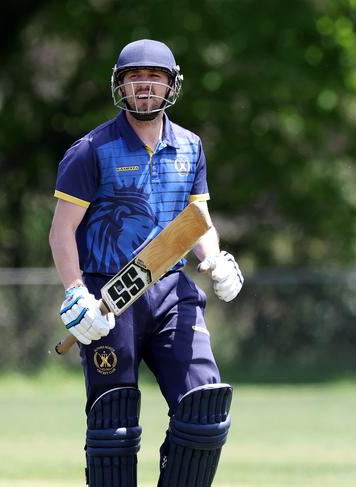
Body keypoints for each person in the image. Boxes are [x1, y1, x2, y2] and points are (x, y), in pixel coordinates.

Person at [49, 39, 243, 487]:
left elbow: (198, 221)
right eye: (134, 77)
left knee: (204, 410)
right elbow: (62, 231)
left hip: (172, 290)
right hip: (109, 295)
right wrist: (75, 291)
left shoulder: (191, 147)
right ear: (120, 86)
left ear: (172, 85)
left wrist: (216, 260)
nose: (145, 86)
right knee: (113, 423)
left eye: (155, 77)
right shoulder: (91, 150)